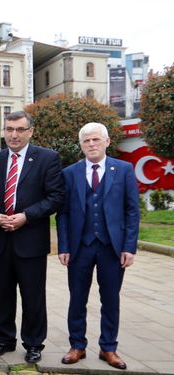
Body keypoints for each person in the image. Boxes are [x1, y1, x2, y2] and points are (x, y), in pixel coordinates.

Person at [57, 122, 139, 370]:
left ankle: (108, 347)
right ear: (81, 145)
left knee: (111, 298)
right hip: (80, 246)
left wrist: (129, 247)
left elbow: (132, 211)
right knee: (77, 297)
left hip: (112, 247)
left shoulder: (124, 169)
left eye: (95, 140)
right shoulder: (70, 172)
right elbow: (63, 213)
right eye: (86, 141)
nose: (91, 144)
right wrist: (63, 246)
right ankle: (77, 345)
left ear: (106, 142)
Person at [0, 111, 64, 363]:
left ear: (30, 131)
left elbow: (55, 197)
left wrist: (26, 216)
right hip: (0, 238)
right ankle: (4, 340)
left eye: (20, 129)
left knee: (33, 296)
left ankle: (33, 343)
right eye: (9, 129)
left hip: (30, 239)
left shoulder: (47, 158)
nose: (13, 135)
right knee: (1, 294)